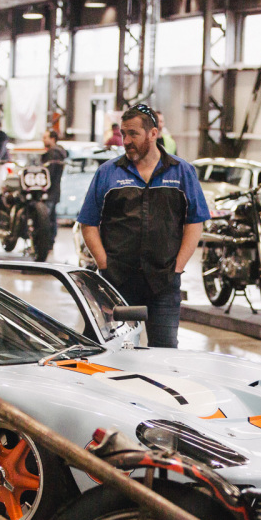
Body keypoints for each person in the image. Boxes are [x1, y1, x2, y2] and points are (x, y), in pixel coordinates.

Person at [79, 104, 209, 348]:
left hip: (164, 283)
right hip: (117, 282)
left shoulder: (181, 172)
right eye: (123, 133)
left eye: (133, 134)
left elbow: (195, 221)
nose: (126, 141)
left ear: (153, 134)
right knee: (116, 352)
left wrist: (178, 267)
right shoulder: (108, 173)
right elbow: (88, 223)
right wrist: (104, 265)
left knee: (165, 352)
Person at [41, 129, 68, 228]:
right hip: (55, 190)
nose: (43, 140)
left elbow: (49, 173)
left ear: (52, 139)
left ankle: (46, 236)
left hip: (49, 191)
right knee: (52, 217)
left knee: (44, 219)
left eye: (45, 138)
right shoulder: (59, 152)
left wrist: (43, 185)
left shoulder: (53, 153)